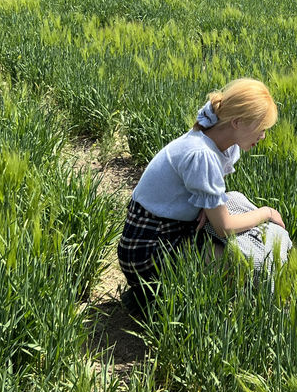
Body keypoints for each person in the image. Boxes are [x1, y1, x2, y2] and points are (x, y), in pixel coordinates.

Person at [117, 78, 287, 309]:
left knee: (233, 199)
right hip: (149, 250)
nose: (263, 136)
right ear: (236, 122)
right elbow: (224, 228)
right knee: (244, 264)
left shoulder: (214, 140)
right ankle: (150, 297)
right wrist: (265, 212)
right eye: (261, 128)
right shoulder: (201, 154)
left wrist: (206, 208)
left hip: (172, 231)